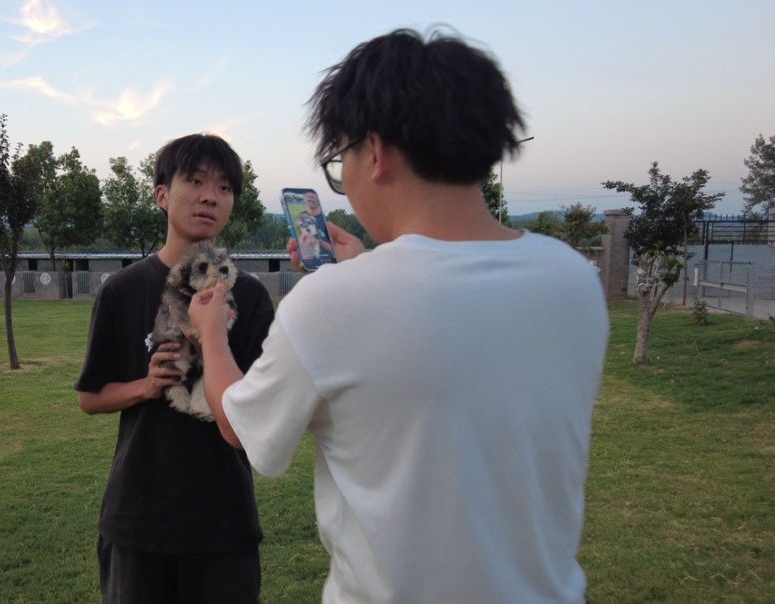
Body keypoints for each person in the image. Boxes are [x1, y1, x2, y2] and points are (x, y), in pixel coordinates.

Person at [188, 29, 609, 603]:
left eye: (340, 161)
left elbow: (240, 427)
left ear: (376, 152)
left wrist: (212, 335)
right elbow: (449, 323)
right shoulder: (573, 279)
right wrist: (369, 267)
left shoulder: (332, 303)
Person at [74, 134, 275, 603]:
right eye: (196, 181)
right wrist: (145, 387)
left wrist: (214, 340)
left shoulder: (247, 296)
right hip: (138, 521)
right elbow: (90, 397)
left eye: (224, 187)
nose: (211, 197)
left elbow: (260, 413)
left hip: (223, 522)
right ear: (162, 195)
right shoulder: (122, 290)